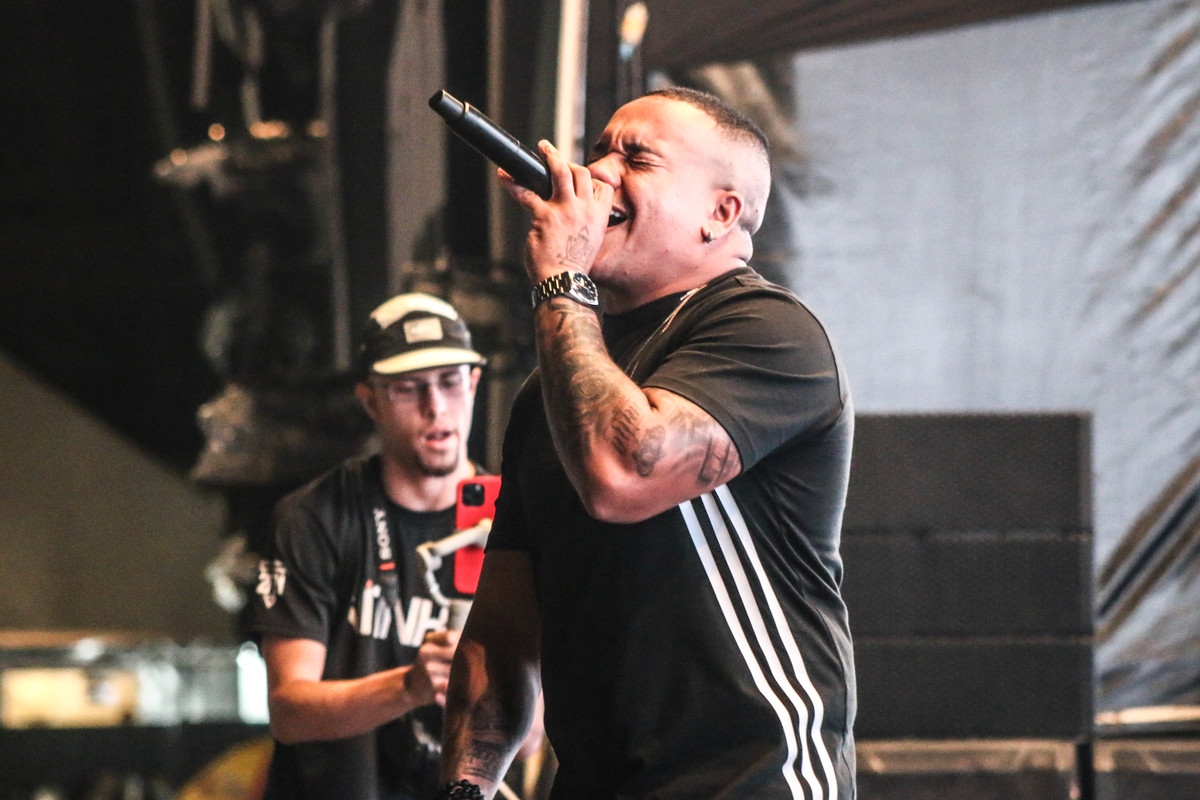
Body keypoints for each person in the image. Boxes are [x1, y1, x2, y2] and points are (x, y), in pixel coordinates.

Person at [436, 87, 857, 800]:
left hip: (748, 783)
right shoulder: (548, 396)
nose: (598, 173)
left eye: (636, 158)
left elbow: (622, 474)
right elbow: (503, 630)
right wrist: (465, 790)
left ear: (720, 213)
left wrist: (562, 277)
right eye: (599, 151)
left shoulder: (768, 330)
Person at [247, 292, 500, 800]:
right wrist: (410, 686)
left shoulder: (508, 518)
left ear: (473, 384)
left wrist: (492, 690)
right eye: (408, 388)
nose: (435, 407)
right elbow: (289, 712)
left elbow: (535, 733)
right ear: (370, 401)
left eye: (450, 381)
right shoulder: (316, 517)